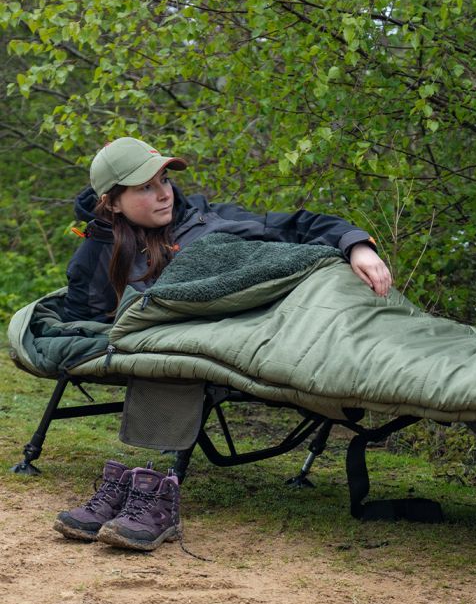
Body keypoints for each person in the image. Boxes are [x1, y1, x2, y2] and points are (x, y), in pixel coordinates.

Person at [54, 136, 392, 551]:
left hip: (272, 328)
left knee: (177, 348)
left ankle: (149, 489)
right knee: (168, 351)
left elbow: (299, 225)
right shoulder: (97, 253)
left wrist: (357, 245)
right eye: (145, 187)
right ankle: (146, 486)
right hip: (178, 348)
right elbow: (85, 321)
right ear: (113, 203)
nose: (164, 194)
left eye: (164, 180)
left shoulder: (210, 220)